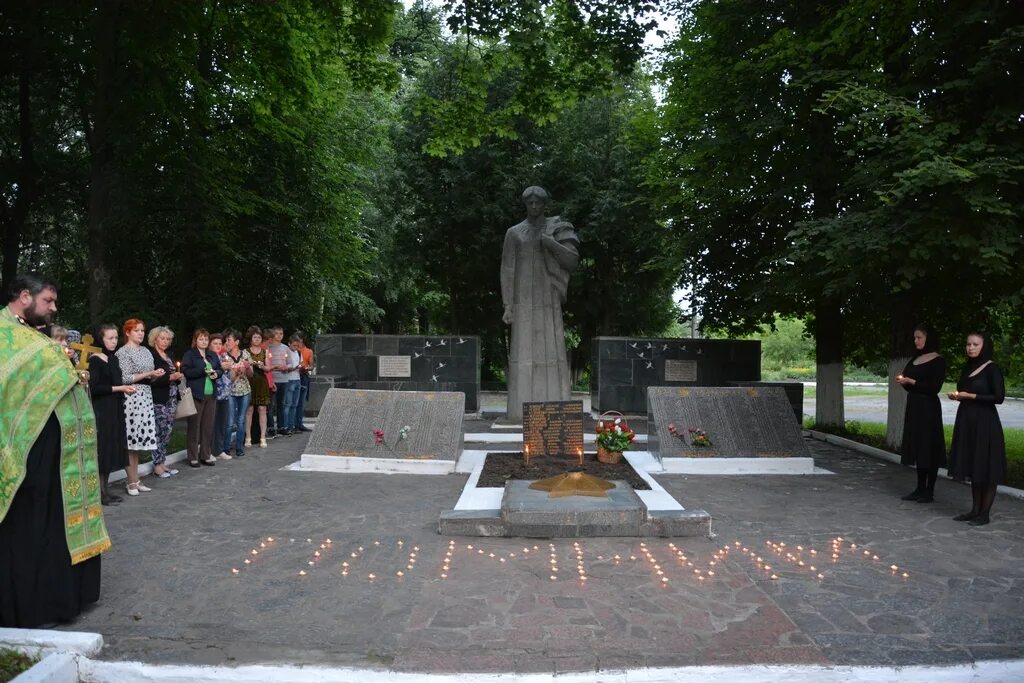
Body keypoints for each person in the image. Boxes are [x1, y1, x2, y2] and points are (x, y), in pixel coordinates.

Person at [1, 273, 110, 627]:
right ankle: (34, 605)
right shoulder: (6, 335)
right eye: (48, 301)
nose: (53, 308)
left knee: (53, 520)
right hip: (25, 450)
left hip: (57, 451)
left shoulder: (34, 335)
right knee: (31, 523)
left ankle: (63, 597)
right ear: (23, 296)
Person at [500, 186, 580, 421]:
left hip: (548, 299)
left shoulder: (557, 228)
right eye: (530, 203)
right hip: (522, 301)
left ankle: (555, 411)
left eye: (538, 203)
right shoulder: (514, 233)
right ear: (525, 205)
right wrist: (508, 305)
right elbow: (507, 269)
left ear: (545, 204)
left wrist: (550, 243)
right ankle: (519, 412)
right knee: (522, 353)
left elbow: (572, 261)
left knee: (552, 350)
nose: (534, 207)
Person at [947, 333, 1006, 526]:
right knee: (974, 463)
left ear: (984, 346)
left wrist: (970, 396)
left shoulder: (992, 368)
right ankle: (974, 510)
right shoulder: (968, 367)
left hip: (985, 423)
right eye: (968, 344)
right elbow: (965, 392)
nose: (970, 348)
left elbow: (998, 397)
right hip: (967, 421)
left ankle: (984, 514)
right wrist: (958, 396)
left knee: (986, 466)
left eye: (975, 344)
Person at [895, 324, 947, 503]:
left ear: (928, 338)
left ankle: (929, 490)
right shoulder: (915, 358)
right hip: (914, 406)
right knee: (918, 445)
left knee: (929, 447)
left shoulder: (938, 360)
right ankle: (919, 487)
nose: (915, 340)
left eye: (919, 337)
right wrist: (904, 381)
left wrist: (913, 381)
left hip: (928, 408)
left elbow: (934, 387)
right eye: (914, 337)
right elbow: (910, 382)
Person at [116, 319, 164, 495]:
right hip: (131, 396)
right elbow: (125, 378)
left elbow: (149, 376)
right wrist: (148, 374)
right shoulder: (123, 352)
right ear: (128, 332)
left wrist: (156, 375)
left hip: (145, 395)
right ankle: (130, 482)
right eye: (136, 330)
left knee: (138, 442)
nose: (141, 333)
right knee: (131, 441)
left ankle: (136, 479)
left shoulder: (146, 351)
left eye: (142, 330)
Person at [88, 324, 134, 505]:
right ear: (101, 339)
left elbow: (118, 380)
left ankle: (105, 489)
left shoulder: (113, 359)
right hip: (102, 409)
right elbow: (94, 388)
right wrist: (120, 388)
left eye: (116, 338)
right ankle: (99, 493)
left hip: (115, 407)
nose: (114, 341)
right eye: (110, 338)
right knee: (102, 449)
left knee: (111, 448)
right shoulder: (95, 360)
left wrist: (125, 389)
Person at [181, 329, 223, 467]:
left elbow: (220, 369)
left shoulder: (212, 355)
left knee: (207, 427)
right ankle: (193, 456)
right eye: (201, 339)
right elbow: (185, 371)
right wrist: (202, 370)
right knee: (195, 426)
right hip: (196, 395)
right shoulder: (190, 355)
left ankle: (205, 455)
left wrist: (217, 373)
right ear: (195, 340)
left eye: (206, 339)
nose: (204, 341)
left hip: (211, 395)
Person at [148, 326, 183, 478]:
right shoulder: (151, 356)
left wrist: (177, 376)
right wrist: (170, 378)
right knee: (158, 431)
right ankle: (157, 465)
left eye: (168, 339)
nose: (165, 341)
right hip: (159, 399)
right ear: (155, 339)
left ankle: (162, 462)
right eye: (162, 338)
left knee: (168, 431)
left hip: (172, 397)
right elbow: (151, 379)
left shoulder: (169, 355)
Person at [223, 329, 253, 457]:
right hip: (230, 391)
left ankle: (239, 447)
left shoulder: (245, 354)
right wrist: (236, 372)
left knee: (241, 420)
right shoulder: (224, 356)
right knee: (229, 421)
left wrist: (246, 368)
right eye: (226, 340)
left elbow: (251, 375)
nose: (227, 342)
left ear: (237, 342)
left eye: (229, 340)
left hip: (245, 390)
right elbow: (227, 378)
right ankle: (226, 447)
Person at [242, 326, 271, 448]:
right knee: (249, 410)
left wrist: (262, 365)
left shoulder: (265, 352)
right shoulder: (245, 351)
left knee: (262, 409)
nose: (257, 339)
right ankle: (248, 437)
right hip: (249, 381)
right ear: (251, 338)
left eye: (259, 337)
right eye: (255, 337)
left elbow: (268, 368)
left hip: (261, 382)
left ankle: (262, 437)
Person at [210, 333, 234, 460]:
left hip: (225, 393)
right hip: (214, 394)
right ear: (210, 344)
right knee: (211, 423)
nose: (218, 346)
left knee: (221, 423)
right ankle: (208, 450)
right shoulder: (208, 356)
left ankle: (218, 450)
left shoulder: (225, 356)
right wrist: (221, 367)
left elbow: (230, 376)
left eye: (220, 343)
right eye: (215, 343)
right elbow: (210, 371)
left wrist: (233, 369)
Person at [268, 326, 294, 435]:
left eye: (281, 333)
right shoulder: (268, 348)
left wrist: (287, 367)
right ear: (272, 335)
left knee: (281, 404)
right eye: (277, 333)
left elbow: (290, 362)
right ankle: (270, 428)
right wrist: (275, 367)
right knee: (270, 405)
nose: (279, 335)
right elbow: (267, 362)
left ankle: (282, 426)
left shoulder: (285, 348)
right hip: (273, 378)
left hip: (283, 379)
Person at [294, 332, 314, 432]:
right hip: (294, 375)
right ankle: (293, 423)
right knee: (294, 401)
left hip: (303, 376)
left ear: (302, 340)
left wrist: (307, 368)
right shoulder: (293, 350)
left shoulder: (308, 351)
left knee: (301, 401)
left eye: (298, 339)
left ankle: (299, 423)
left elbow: (311, 365)